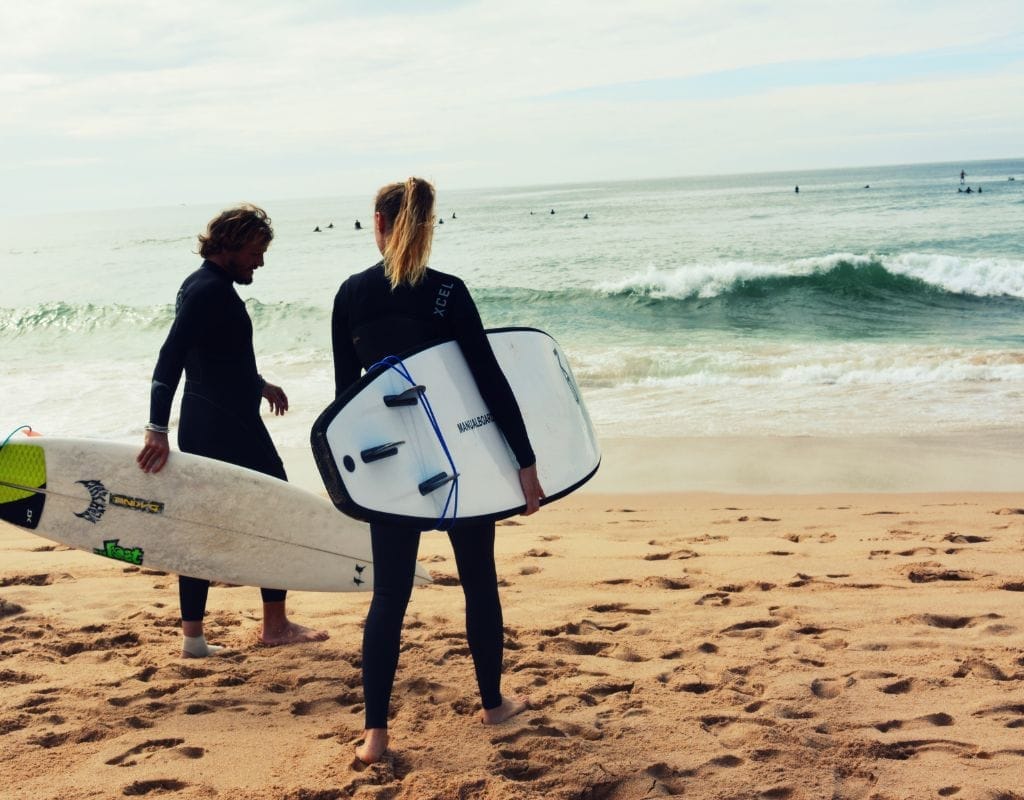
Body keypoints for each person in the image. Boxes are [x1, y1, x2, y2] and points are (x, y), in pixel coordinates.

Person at [331, 177, 545, 764]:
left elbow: (344, 402)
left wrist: (351, 483)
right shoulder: (449, 294)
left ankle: (375, 736)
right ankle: (494, 706)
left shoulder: (350, 295)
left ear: (377, 222)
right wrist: (525, 463)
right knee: (478, 579)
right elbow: (487, 384)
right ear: (428, 226)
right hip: (459, 463)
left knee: (390, 596)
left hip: (391, 467)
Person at [137, 204, 328, 658]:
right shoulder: (210, 291)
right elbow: (171, 358)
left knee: (200, 525)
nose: (259, 261)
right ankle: (275, 626)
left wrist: (260, 384)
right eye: (255, 250)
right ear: (230, 244)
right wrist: (155, 428)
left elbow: (216, 358)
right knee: (277, 510)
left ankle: (194, 639)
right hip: (228, 428)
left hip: (213, 422)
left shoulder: (200, 284)